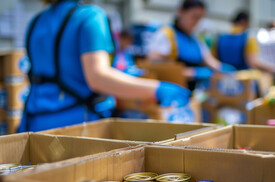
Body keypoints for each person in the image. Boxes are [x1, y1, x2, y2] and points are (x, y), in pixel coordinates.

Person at [19, 0, 190, 132]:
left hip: (35, 123)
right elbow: (98, 78)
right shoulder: (90, 16)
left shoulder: (36, 21)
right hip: (77, 129)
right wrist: (157, 88)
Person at [147, 0, 235, 91]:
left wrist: (225, 70)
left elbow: (211, 62)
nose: (197, 22)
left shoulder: (196, 39)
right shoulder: (166, 35)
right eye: (194, 16)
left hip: (194, 92)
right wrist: (193, 73)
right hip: (173, 90)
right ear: (181, 12)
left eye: (200, 18)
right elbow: (155, 68)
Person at [216, 11, 275, 87]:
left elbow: (215, 60)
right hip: (243, 85)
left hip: (222, 83)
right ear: (244, 22)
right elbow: (254, 63)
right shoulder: (248, 38)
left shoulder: (221, 38)